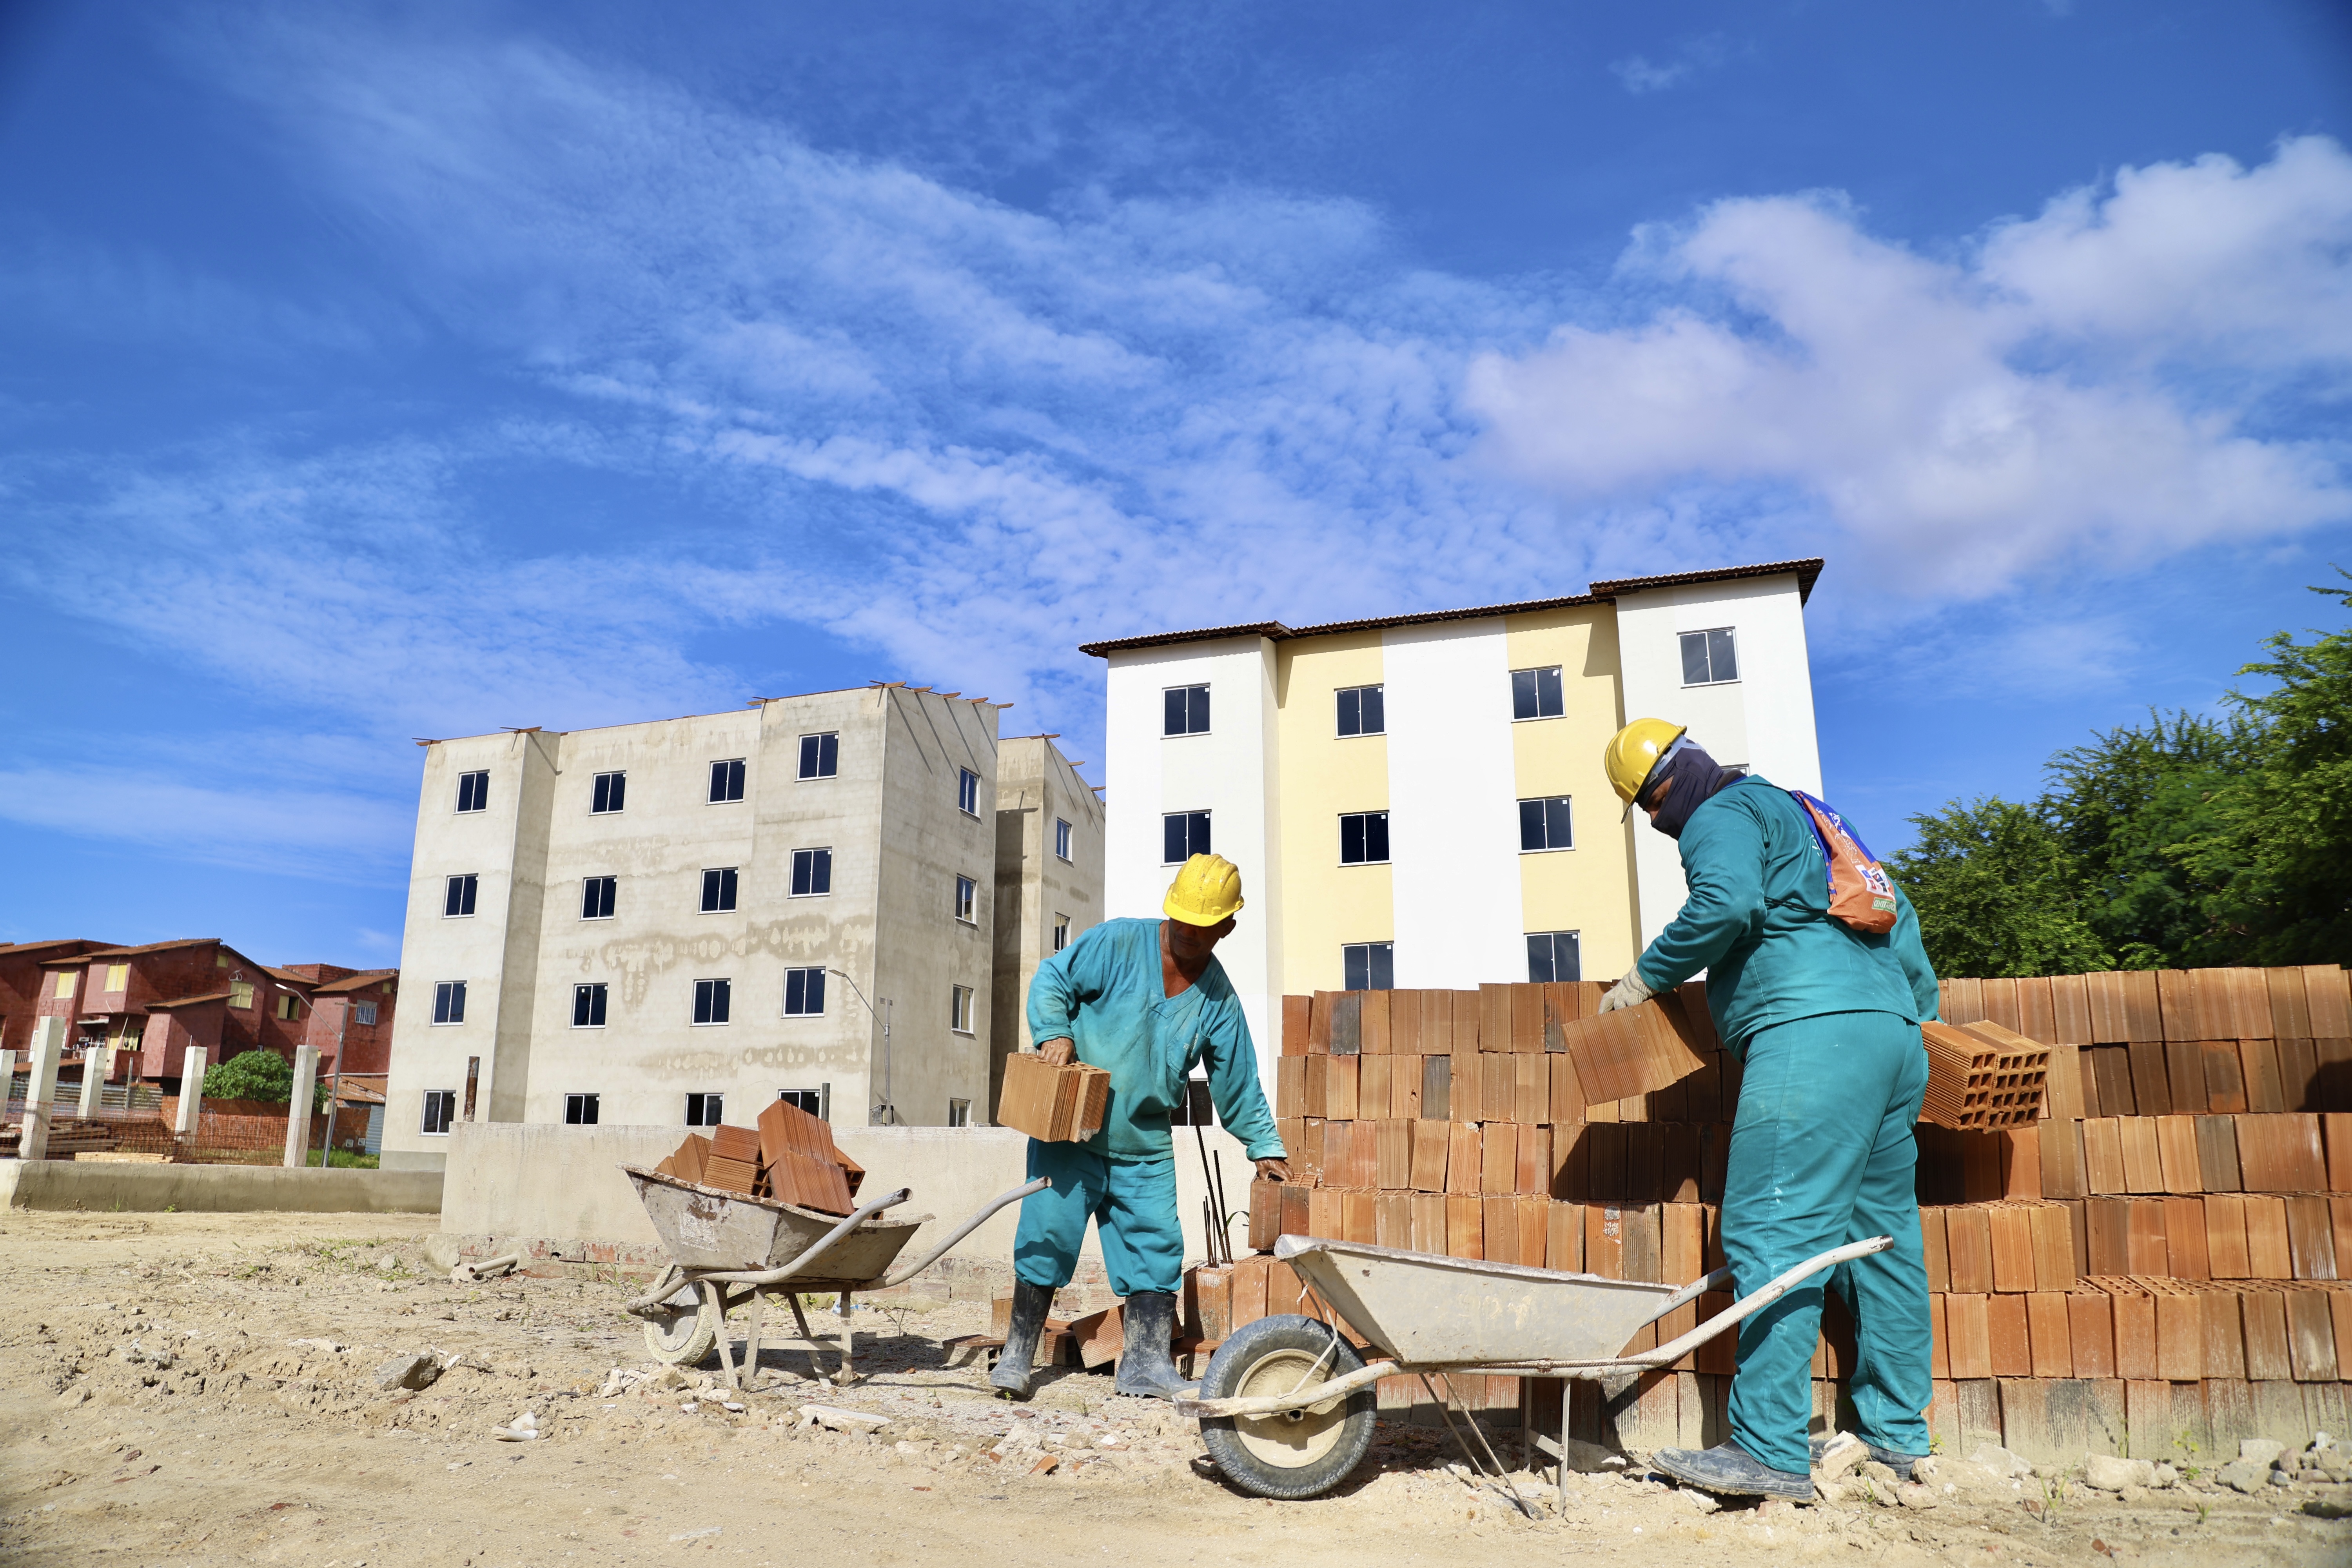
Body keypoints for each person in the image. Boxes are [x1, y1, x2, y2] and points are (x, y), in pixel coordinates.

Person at [1597, 719, 1940, 1501]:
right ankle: (1897, 1434)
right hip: (1890, 1039)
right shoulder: (1816, 815)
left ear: (1661, 794)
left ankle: (1769, 1447)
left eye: (1650, 811)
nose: (1658, 825)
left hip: (1809, 1033)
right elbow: (1901, 914)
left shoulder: (1717, 815)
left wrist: (1646, 977)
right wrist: (1911, 1018)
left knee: (1772, 1224)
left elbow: (1728, 904)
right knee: (1883, 1239)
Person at [990, 852, 1291, 1401]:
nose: (1188, 936)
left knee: (1156, 1248)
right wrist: (1054, 1032)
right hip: (1071, 1132)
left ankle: (1146, 1365)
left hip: (1144, 1141)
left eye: (1203, 930)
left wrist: (1263, 1145)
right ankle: (1016, 1356)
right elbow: (1053, 978)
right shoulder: (1117, 944)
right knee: (1047, 1235)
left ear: (1227, 928)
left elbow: (1237, 1080)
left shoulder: (1218, 1001)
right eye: (1181, 923)